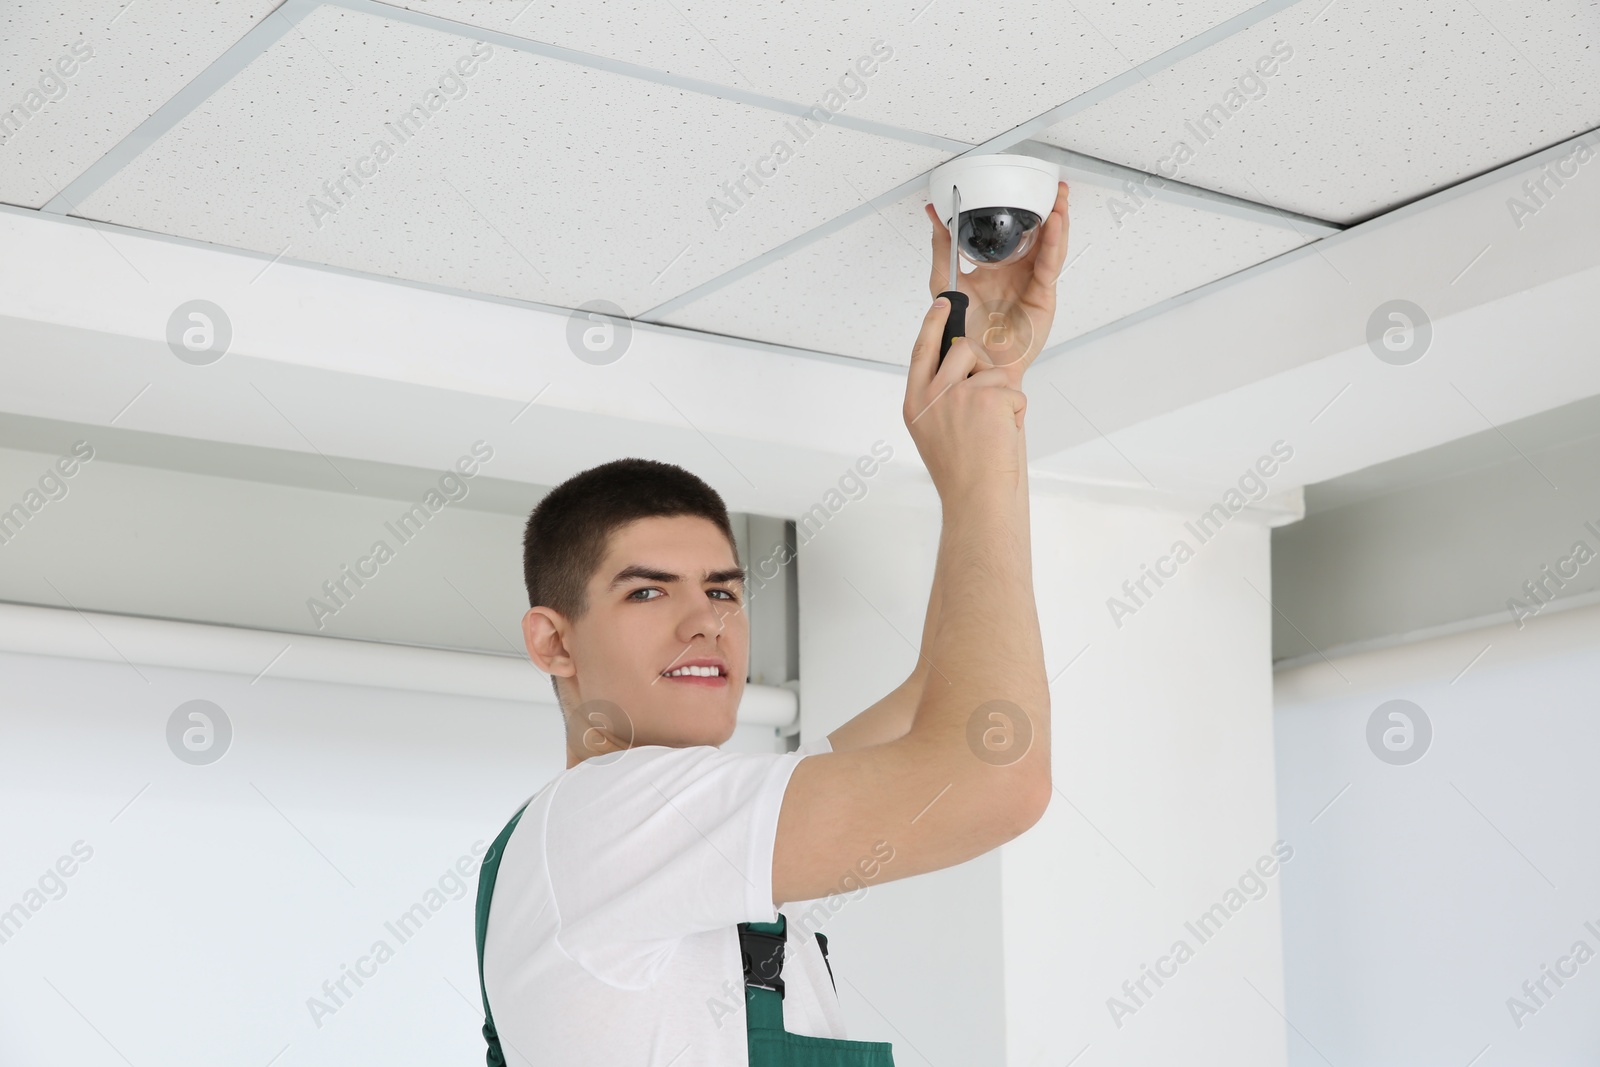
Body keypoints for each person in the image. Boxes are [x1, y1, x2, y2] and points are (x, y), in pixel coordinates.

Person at [475, 182, 1071, 1065]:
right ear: (553, 641)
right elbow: (997, 777)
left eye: (721, 590)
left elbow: (931, 700)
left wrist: (991, 419)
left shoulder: (671, 840)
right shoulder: (605, 817)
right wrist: (976, 459)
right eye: (648, 592)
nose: (704, 623)